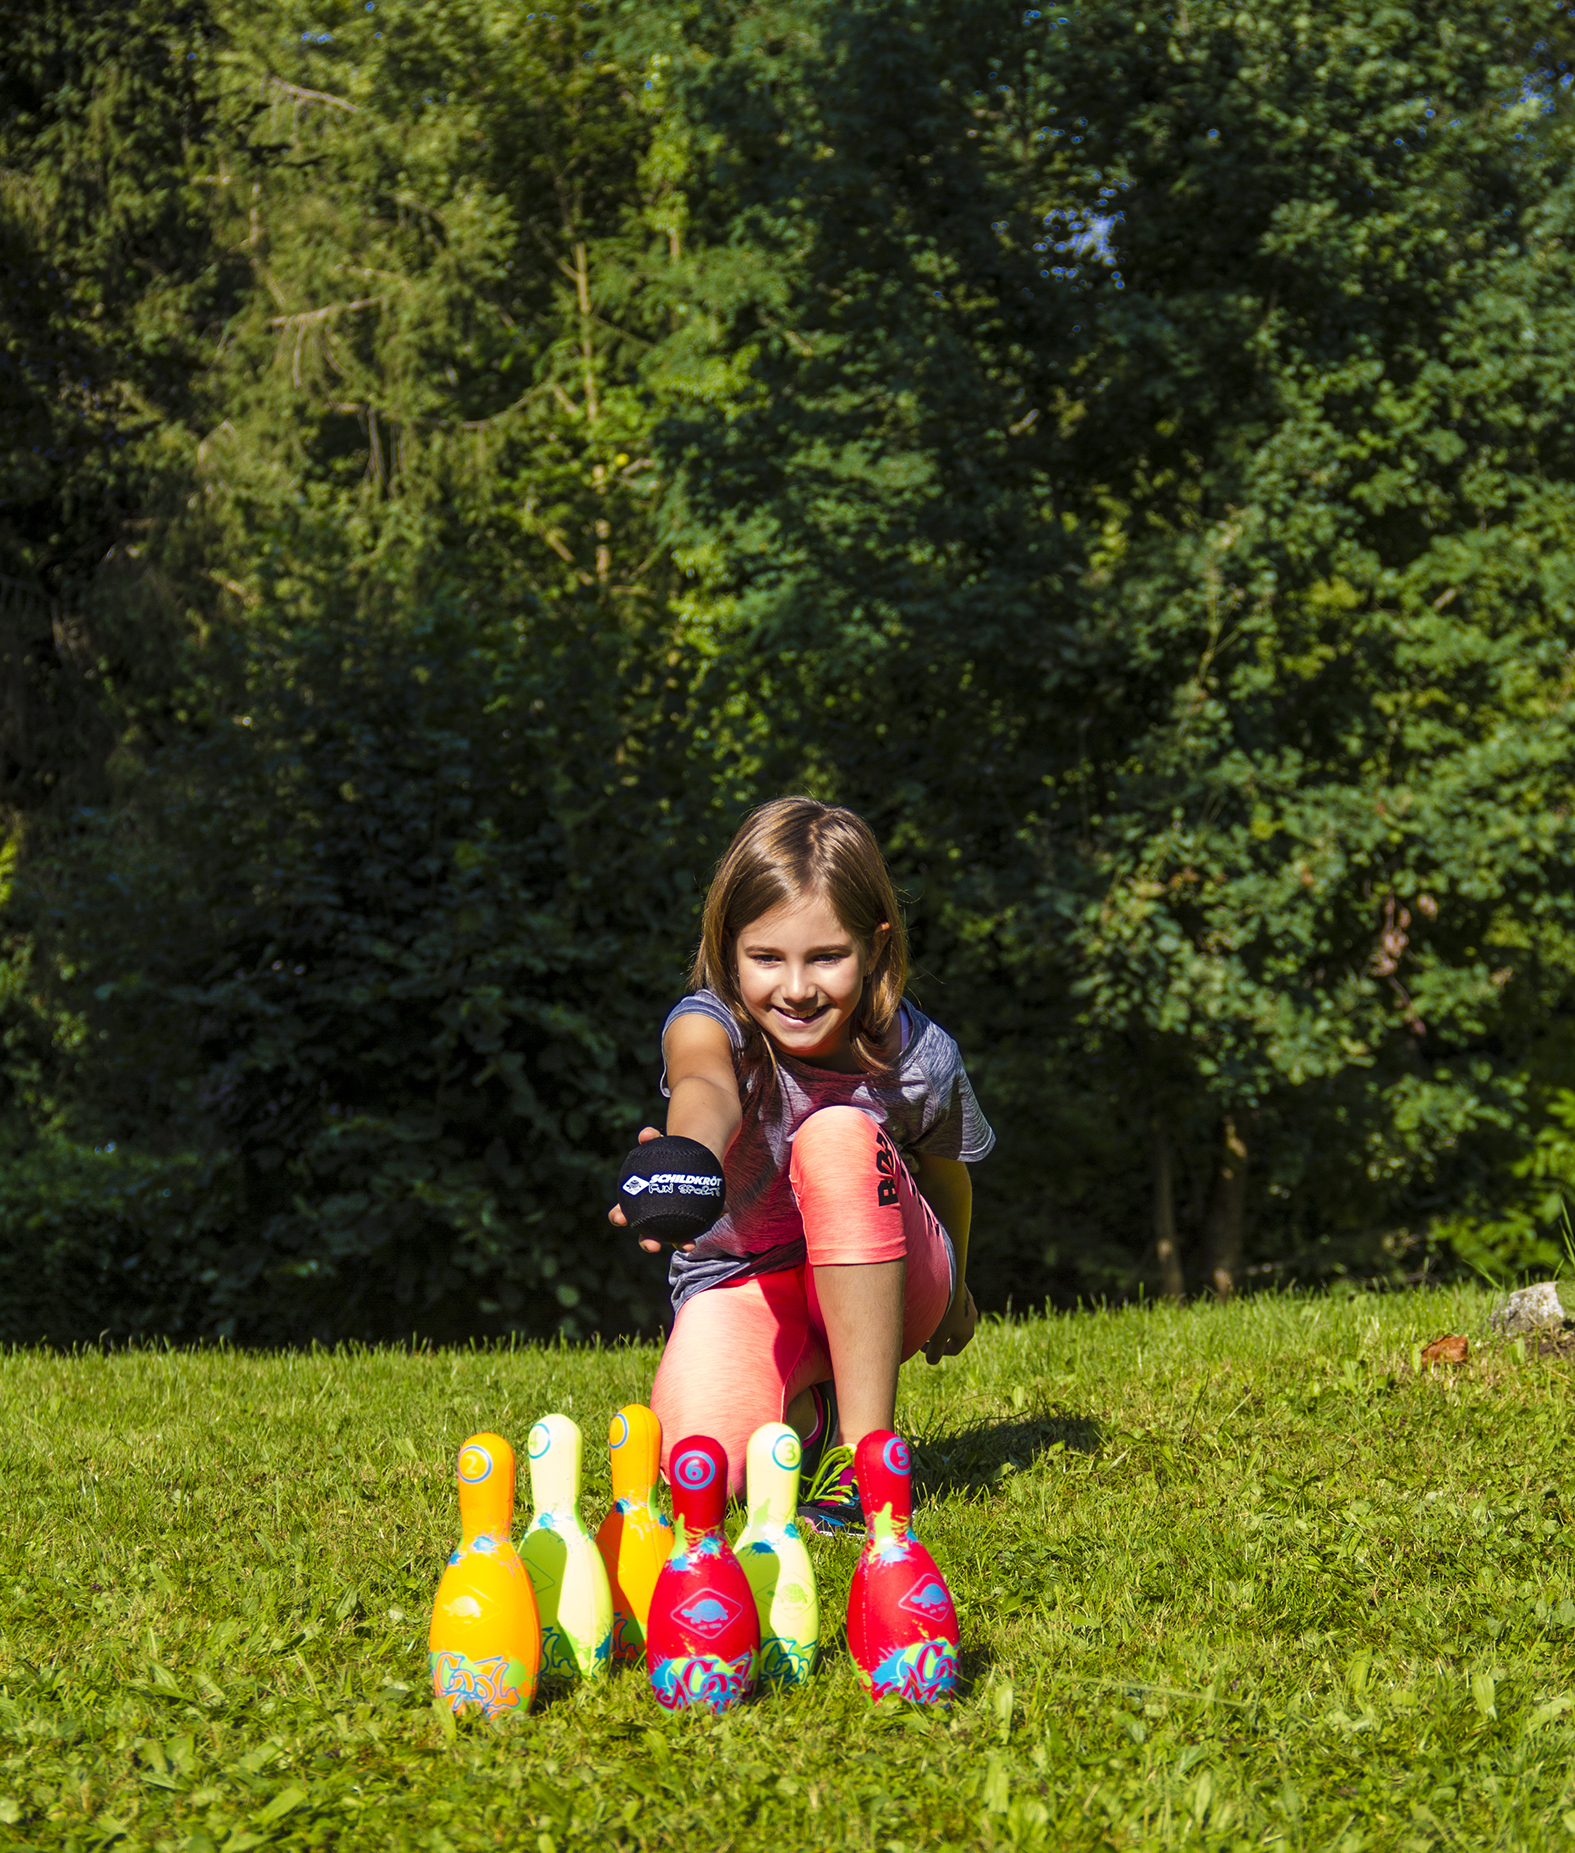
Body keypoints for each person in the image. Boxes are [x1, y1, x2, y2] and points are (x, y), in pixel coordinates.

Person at [608, 797, 994, 1530]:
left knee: (837, 1134)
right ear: (728, 951)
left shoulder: (919, 1056)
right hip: (747, 1279)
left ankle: (865, 1458)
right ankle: (809, 1417)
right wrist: (684, 1160)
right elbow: (702, 1084)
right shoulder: (708, 1022)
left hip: (887, 1276)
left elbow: (948, 1177)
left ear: (875, 947)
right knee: (705, 1465)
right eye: (765, 958)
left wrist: (957, 1292)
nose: (794, 987)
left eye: (825, 956)